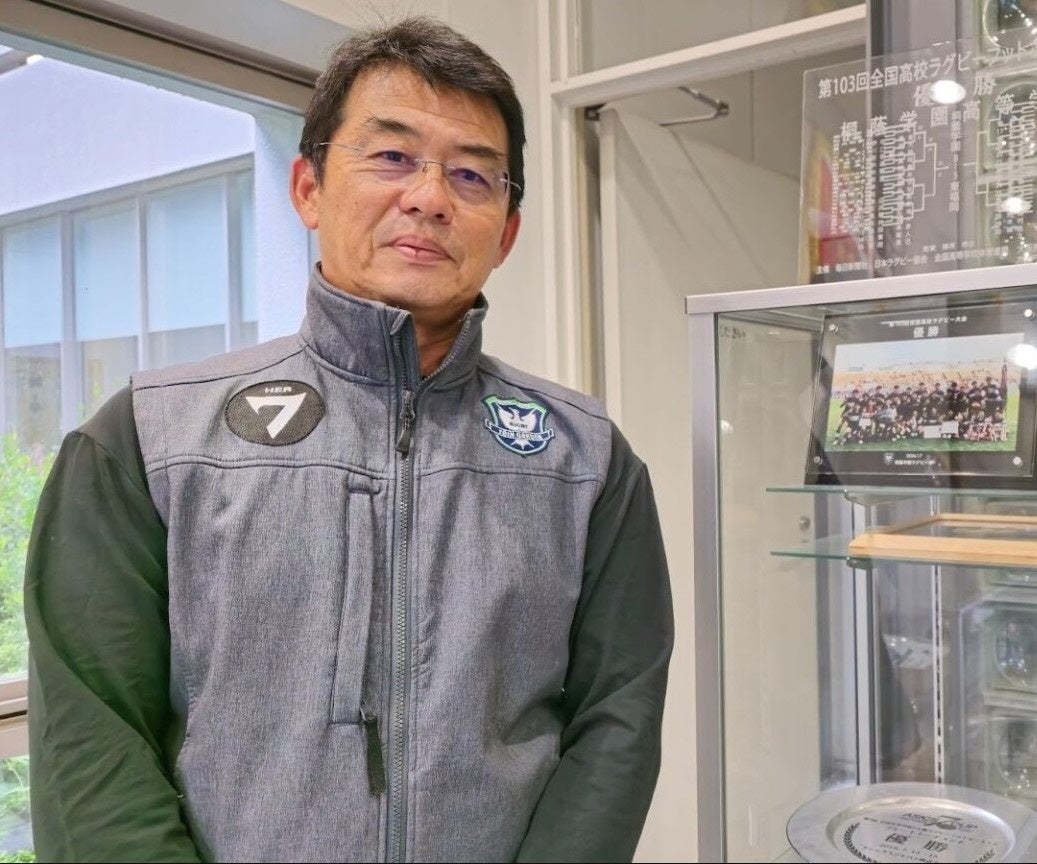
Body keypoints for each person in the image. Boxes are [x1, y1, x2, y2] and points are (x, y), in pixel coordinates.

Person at [25, 17, 673, 863]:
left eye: (471, 174)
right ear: (308, 187)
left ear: (506, 232)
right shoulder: (147, 438)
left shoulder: (584, 460)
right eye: (392, 156)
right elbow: (91, 739)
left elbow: (617, 722)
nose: (430, 197)